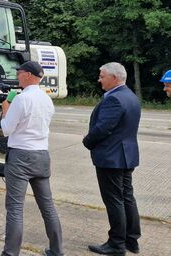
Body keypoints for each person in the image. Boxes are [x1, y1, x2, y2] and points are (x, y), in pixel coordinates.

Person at [0, 61, 63, 256]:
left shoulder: (21, 99)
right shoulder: (47, 99)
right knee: (47, 206)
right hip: (42, 155)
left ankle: (10, 253)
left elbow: (6, 129)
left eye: (19, 72)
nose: (17, 76)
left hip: (20, 155)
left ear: (27, 75)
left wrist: (5, 107)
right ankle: (56, 250)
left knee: (15, 208)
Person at [83, 62, 141, 255]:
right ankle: (131, 240)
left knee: (115, 200)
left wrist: (87, 141)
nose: (99, 80)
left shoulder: (114, 99)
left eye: (102, 76)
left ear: (114, 78)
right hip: (126, 155)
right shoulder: (131, 96)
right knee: (126, 197)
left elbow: (103, 128)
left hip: (111, 157)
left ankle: (116, 244)